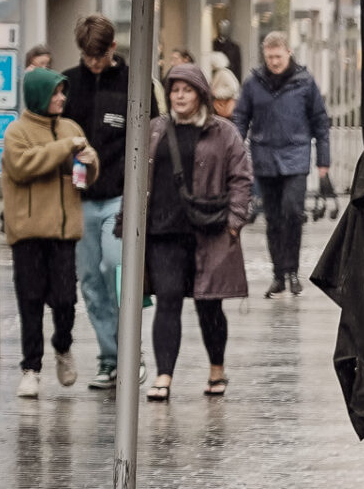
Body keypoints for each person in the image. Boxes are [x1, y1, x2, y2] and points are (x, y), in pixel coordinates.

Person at [141, 65, 251, 401]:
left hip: (210, 230)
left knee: (209, 304)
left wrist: (234, 221)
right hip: (163, 230)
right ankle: (163, 376)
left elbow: (241, 177)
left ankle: (217, 368)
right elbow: (137, 174)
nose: (179, 96)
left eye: (187, 90)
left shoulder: (223, 131)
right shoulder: (155, 129)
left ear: (201, 94)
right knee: (168, 300)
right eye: (175, 90)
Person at [2, 67, 96, 398]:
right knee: (30, 301)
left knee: (66, 299)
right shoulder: (17, 132)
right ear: (39, 95)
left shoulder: (71, 128)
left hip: (63, 233)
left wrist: (90, 160)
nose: (61, 98)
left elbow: (87, 174)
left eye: (62, 92)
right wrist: (65, 148)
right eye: (55, 93)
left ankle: (62, 346)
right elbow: (22, 166)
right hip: (28, 233)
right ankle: (31, 369)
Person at [64, 14, 141, 389]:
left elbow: (151, 135)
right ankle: (110, 357)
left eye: (99, 56)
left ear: (113, 47)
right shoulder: (68, 84)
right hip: (79, 198)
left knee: (116, 267)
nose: (93, 63)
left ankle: (130, 350)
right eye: (87, 56)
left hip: (120, 196)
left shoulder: (133, 83)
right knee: (91, 281)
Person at [232, 31, 331, 299]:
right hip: (265, 157)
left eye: (278, 56)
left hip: (295, 156)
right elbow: (240, 118)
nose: (274, 62)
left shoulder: (304, 82)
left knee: (292, 212)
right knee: (273, 218)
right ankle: (278, 275)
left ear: (289, 53)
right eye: (269, 57)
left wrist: (324, 162)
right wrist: (235, 150)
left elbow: (320, 121)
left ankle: (292, 271)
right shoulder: (254, 83)